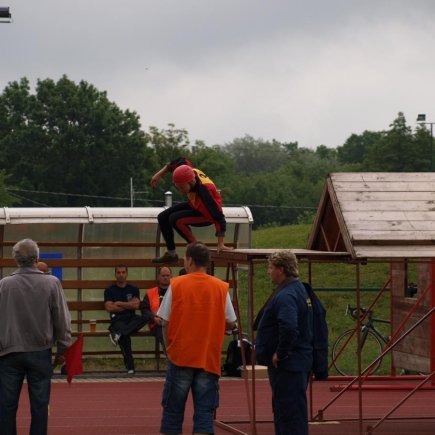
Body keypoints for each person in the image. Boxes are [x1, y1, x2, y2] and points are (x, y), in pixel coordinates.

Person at [157, 242, 237, 435]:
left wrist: (169, 348)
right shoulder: (220, 287)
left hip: (181, 355)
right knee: (204, 413)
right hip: (208, 358)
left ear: (190, 260)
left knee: (173, 411)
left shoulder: (177, 284)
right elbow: (232, 322)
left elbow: (164, 321)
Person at [0, 238, 72, 435]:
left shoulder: (4, 285)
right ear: (36, 257)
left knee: (6, 406)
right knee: (40, 407)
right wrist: (63, 349)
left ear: (15, 259)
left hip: (8, 352)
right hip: (40, 352)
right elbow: (62, 319)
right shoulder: (51, 283)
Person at [255, 250, 313, 435]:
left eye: (271, 267)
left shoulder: (286, 295)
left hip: (288, 366)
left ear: (281, 269)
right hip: (297, 362)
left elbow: (288, 326)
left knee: (288, 414)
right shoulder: (298, 289)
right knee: (292, 412)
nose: (268, 271)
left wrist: (281, 352)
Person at [150, 157, 231, 263]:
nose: (180, 191)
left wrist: (220, 243)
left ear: (191, 182)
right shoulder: (186, 170)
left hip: (206, 214)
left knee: (176, 220)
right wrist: (159, 174)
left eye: (182, 188)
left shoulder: (204, 194)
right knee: (162, 217)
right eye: (178, 188)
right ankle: (171, 254)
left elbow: (219, 216)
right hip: (194, 204)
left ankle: (197, 249)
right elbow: (176, 161)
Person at [104, 265, 147, 374]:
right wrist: (128, 305)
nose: (121, 275)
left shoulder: (133, 289)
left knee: (145, 317)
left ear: (127, 274)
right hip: (118, 320)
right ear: (115, 274)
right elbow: (109, 307)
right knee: (125, 337)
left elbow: (136, 306)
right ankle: (130, 368)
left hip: (132, 319)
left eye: (123, 272)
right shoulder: (109, 290)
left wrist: (119, 303)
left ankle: (117, 334)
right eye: (118, 272)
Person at [140, 266, 172, 348]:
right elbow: (144, 309)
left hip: (173, 324)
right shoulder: (150, 292)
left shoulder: (176, 290)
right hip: (157, 324)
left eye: (167, 275)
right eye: (163, 275)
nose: (165, 277)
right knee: (165, 339)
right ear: (158, 277)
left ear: (171, 276)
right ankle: (171, 359)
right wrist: (153, 318)